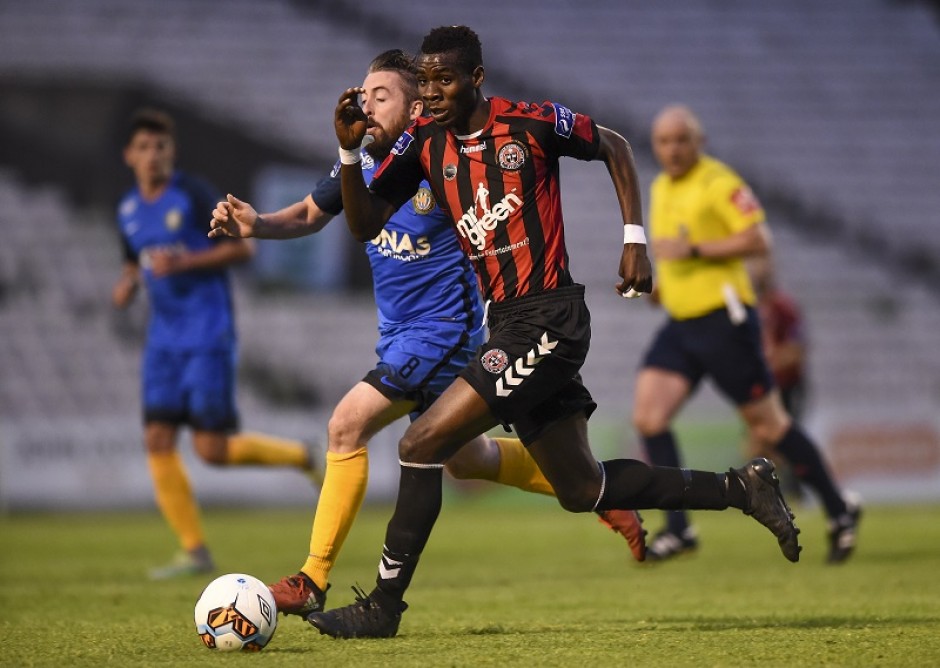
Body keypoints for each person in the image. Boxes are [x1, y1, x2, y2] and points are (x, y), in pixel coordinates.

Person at [306, 26, 801, 640]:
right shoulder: (426, 145)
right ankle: (743, 488)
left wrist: (634, 240)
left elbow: (615, 147)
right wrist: (350, 154)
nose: (431, 92)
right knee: (581, 487)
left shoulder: (530, 123)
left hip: (549, 320)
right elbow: (363, 223)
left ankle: (383, 606)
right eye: (425, 80)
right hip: (507, 322)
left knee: (421, 444)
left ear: (476, 79)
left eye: (444, 79)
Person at [207, 50, 648, 615]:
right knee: (467, 461)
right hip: (399, 336)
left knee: (346, 425)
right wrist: (256, 224)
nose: (366, 107)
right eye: (362, 98)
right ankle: (593, 492)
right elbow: (311, 215)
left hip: (445, 333)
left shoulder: (437, 157)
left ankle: (311, 580)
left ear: (416, 105)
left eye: (380, 97)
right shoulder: (363, 170)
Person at [632, 104, 860, 564]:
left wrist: (695, 247)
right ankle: (679, 528)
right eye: (663, 141)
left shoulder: (719, 183)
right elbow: (674, 259)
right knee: (650, 418)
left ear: (699, 141)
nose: (672, 149)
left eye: (681, 139)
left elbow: (758, 239)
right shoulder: (659, 187)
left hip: (724, 321)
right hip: (681, 323)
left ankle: (838, 511)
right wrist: (657, 288)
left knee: (770, 425)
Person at [112, 108, 318, 580]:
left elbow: (244, 247)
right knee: (157, 437)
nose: (152, 156)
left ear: (172, 152)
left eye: (160, 146)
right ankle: (194, 550)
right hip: (162, 341)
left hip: (207, 333)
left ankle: (300, 455)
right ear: (129, 156)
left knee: (210, 450)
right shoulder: (126, 208)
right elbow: (133, 263)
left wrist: (182, 262)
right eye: (143, 148)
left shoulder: (192, 192)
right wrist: (126, 285)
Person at [747, 255, 809, 499]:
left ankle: (793, 490)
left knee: (782, 439)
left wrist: (769, 361)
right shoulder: (747, 306)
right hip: (760, 386)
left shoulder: (784, 308)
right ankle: (764, 492)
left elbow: (797, 349)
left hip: (785, 384)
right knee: (759, 440)